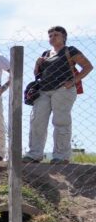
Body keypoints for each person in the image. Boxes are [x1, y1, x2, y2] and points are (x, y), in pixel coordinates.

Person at [25, 26, 92, 164]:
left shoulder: (70, 50)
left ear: (64, 37)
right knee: (37, 121)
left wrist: (72, 81)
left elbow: (88, 66)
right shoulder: (45, 53)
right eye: (50, 35)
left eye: (56, 34)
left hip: (63, 90)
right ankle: (34, 154)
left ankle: (61, 156)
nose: (52, 37)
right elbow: (38, 74)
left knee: (61, 122)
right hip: (43, 90)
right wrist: (37, 64)